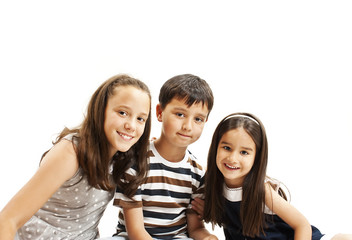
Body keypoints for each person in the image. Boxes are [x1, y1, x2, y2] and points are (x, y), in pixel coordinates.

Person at [0, 74, 152, 240]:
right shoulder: (71, 152)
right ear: (101, 110)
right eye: (122, 113)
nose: (131, 126)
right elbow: (7, 220)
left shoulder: (123, 157)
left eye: (140, 119)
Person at [196, 112, 352, 240]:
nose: (232, 158)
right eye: (227, 148)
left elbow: (302, 224)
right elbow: (197, 227)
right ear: (215, 147)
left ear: (256, 158)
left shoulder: (262, 190)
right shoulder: (210, 185)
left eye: (244, 152)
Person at [106, 74, 218, 240]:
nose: (188, 126)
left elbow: (195, 228)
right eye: (180, 114)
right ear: (159, 112)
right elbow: (136, 231)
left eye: (198, 119)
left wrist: (209, 237)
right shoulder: (135, 162)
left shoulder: (197, 173)